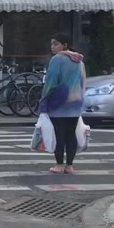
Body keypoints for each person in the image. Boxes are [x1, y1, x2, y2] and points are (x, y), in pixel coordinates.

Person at [39, 32, 86, 174]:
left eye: (56, 44)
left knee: (59, 134)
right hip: (76, 102)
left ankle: (59, 165)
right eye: (52, 44)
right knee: (71, 134)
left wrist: (44, 99)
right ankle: (69, 165)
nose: (52, 47)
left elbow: (51, 82)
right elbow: (83, 81)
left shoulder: (57, 59)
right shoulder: (79, 60)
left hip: (59, 102)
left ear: (65, 45)